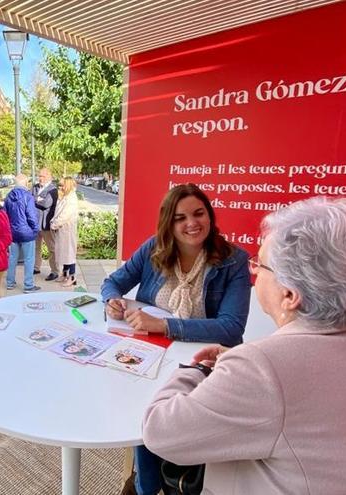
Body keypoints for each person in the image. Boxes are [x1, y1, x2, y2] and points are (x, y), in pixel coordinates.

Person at [141, 197, 346, 494]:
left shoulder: (263, 369)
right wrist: (241, 369)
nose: (254, 272)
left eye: (262, 265)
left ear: (290, 294)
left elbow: (159, 433)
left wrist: (196, 370)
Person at [101, 184, 251, 495]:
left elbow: (231, 328)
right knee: (142, 409)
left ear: (209, 216)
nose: (191, 224)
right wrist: (112, 300)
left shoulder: (233, 261)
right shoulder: (154, 248)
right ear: (169, 223)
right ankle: (146, 485)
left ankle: (155, 484)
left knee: (161, 414)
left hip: (205, 360)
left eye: (199, 214)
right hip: (152, 353)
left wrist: (163, 325)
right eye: (180, 218)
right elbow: (113, 281)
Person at [4, 174, 40, 292]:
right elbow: (31, 215)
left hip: (13, 232)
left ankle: (10, 282)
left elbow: (4, 215)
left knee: (12, 258)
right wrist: (35, 229)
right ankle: (28, 285)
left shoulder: (9, 196)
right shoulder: (28, 196)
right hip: (27, 232)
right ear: (25, 183)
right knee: (29, 258)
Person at [50, 177, 79, 287]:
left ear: (67, 185)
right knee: (63, 253)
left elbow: (65, 215)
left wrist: (54, 224)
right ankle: (65, 274)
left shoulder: (71, 199)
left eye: (62, 185)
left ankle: (72, 277)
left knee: (69, 254)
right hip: (61, 229)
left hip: (67, 229)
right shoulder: (64, 196)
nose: (60, 187)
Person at [32, 168, 59, 281]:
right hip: (35, 223)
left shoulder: (53, 189)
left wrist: (37, 200)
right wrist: (38, 199)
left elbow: (46, 203)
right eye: (39, 176)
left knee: (51, 248)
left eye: (42, 176)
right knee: (36, 247)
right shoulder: (35, 187)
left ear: (49, 176)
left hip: (46, 224)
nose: (40, 178)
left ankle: (55, 271)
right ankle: (36, 267)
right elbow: (30, 199)